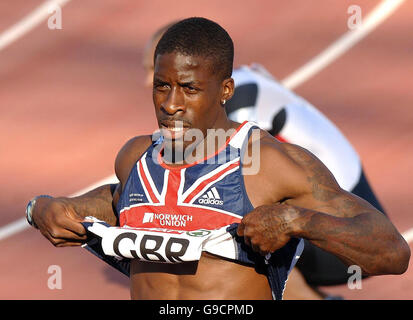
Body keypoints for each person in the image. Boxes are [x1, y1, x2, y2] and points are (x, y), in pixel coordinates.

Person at [27, 17, 409, 300]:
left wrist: (297, 220)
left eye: (189, 89)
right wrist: (45, 207)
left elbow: (393, 252)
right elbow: (121, 198)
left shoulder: (270, 164)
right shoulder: (135, 156)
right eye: (162, 86)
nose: (170, 104)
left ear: (225, 89)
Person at [141, 22, 392, 299]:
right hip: (327, 201)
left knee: (240, 225)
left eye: (153, 71)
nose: (148, 82)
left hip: (339, 218)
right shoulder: (233, 86)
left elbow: (235, 170)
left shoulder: (238, 99)